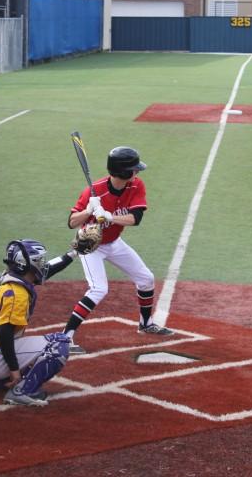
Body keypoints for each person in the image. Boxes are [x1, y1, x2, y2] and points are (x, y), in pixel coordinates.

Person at [62, 147, 173, 355]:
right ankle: (64, 338)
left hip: (113, 243)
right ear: (122, 172)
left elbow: (135, 218)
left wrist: (110, 217)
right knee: (98, 289)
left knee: (146, 278)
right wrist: (89, 210)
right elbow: (71, 222)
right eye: (133, 169)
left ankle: (145, 323)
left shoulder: (136, 185)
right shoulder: (94, 191)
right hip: (91, 246)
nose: (137, 173)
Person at [0, 239, 77, 406]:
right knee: (59, 345)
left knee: (40, 344)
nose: (42, 264)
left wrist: (73, 253)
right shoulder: (16, 293)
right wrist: (14, 371)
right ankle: (22, 391)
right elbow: (5, 334)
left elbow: (47, 270)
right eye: (39, 261)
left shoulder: (9, 277)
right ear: (26, 264)